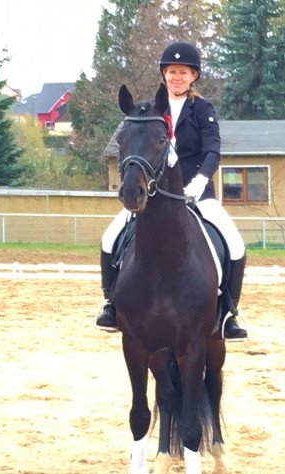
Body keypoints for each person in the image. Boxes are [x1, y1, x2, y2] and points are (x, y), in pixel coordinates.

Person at [96, 41, 248, 341]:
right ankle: (111, 303)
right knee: (109, 237)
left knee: (236, 243)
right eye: (171, 72)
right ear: (164, 75)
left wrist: (200, 182)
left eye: (183, 72)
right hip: (154, 196)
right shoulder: (150, 110)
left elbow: (212, 151)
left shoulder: (202, 109)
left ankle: (230, 312)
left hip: (197, 193)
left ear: (194, 76)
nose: (176, 77)